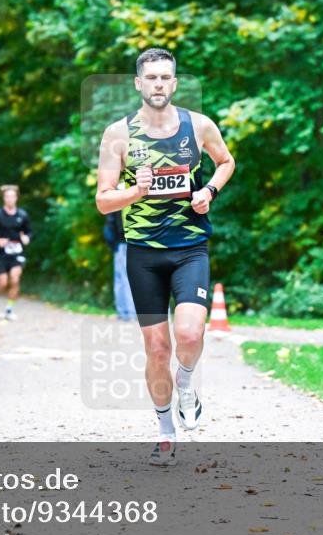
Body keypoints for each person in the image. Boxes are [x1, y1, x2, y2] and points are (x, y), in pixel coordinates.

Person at [95, 48, 236, 466]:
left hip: (190, 247)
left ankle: (187, 384)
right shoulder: (117, 135)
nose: (158, 84)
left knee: (190, 335)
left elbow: (225, 162)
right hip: (143, 254)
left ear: (174, 84)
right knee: (157, 349)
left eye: (165, 78)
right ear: (138, 84)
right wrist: (135, 191)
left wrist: (209, 191)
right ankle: (164, 431)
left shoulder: (198, 126)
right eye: (151, 77)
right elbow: (104, 202)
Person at [0, 184, 32, 321]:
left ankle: (9, 309)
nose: (10, 199)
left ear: (17, 198)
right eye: (7, 196)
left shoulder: (22, 215)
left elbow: (29, 231)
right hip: (0, 253)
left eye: (13, 196)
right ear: (3, 198)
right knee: (3, 284)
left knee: (15, 279)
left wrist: (26, 238)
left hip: (17, 252)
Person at [103, 207, 136, 321]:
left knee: (122, 278)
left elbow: (110, 225)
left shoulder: (117, 197)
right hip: (141, 243)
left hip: (122, 244)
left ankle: (127, 312)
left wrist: (113, 244)